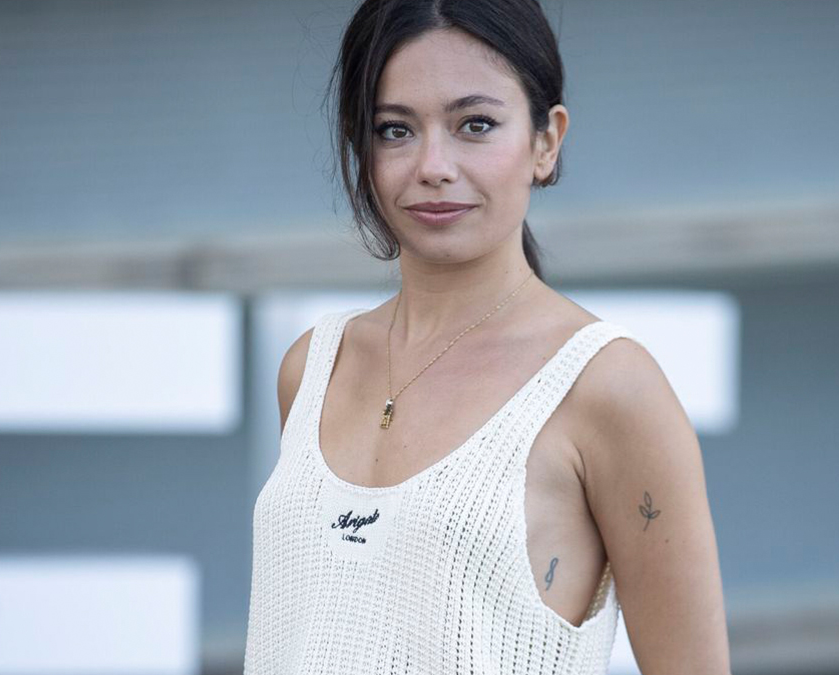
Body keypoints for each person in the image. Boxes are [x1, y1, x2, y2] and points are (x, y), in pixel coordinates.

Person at [242, 1, 731, 673]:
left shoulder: (607, 389)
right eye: (394, 130)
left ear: (546, 141)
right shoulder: (314, 367)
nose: (433, 165)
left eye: (475, 124)